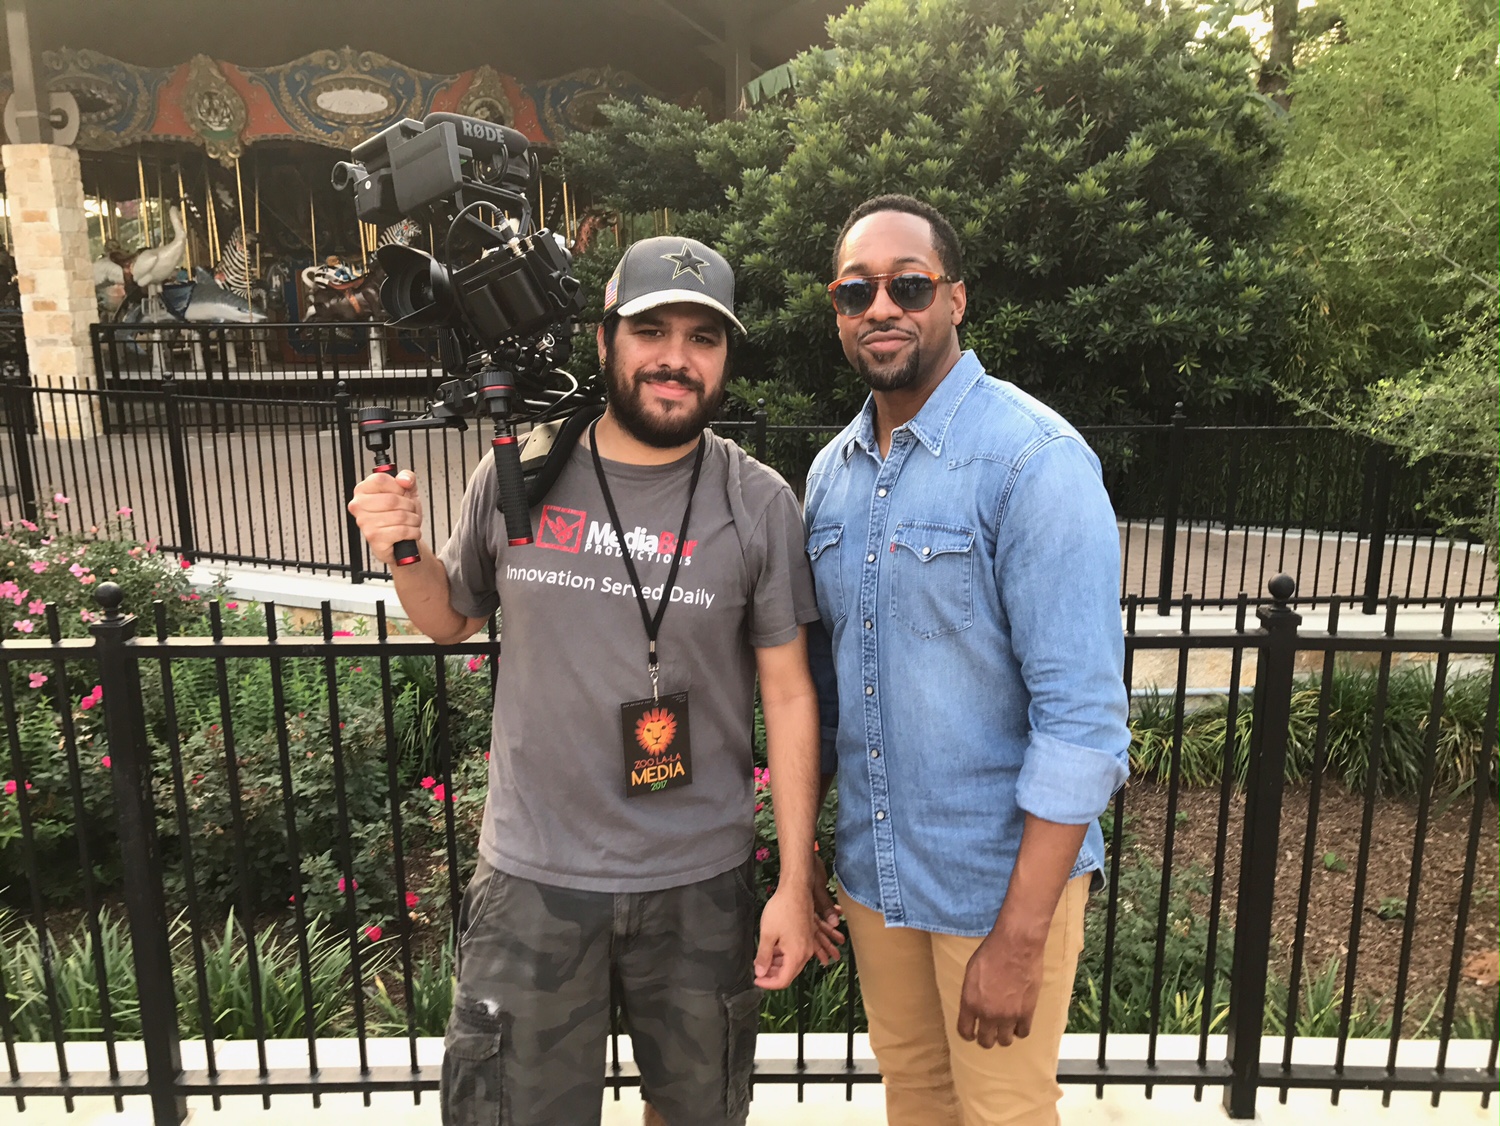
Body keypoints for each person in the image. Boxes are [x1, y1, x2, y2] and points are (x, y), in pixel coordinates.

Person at [349, 236, 833, 1126]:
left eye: (703, 338)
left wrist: (795, 883)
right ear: (606, 340)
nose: (676, 358)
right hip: (533, 878)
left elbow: (791, 693)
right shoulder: (521, 470)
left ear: (725, 357)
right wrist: (402, 548)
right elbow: (449, 617)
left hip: (699, 881)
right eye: (651, 330)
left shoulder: (758, 501)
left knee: (697, 1113)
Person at [803, 195, 1131, 1125]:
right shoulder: (830, 478)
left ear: (955, 298)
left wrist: (1020, 937)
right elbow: (825, 697)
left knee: (1004, 1114)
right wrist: (808, 856)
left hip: (998, 886)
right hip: (878, 877)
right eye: (856, 291)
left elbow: (1083, 722)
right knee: (916, 1102)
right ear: (837, 311)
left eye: (908, 285)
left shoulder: (1034, 460)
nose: (881, 307)